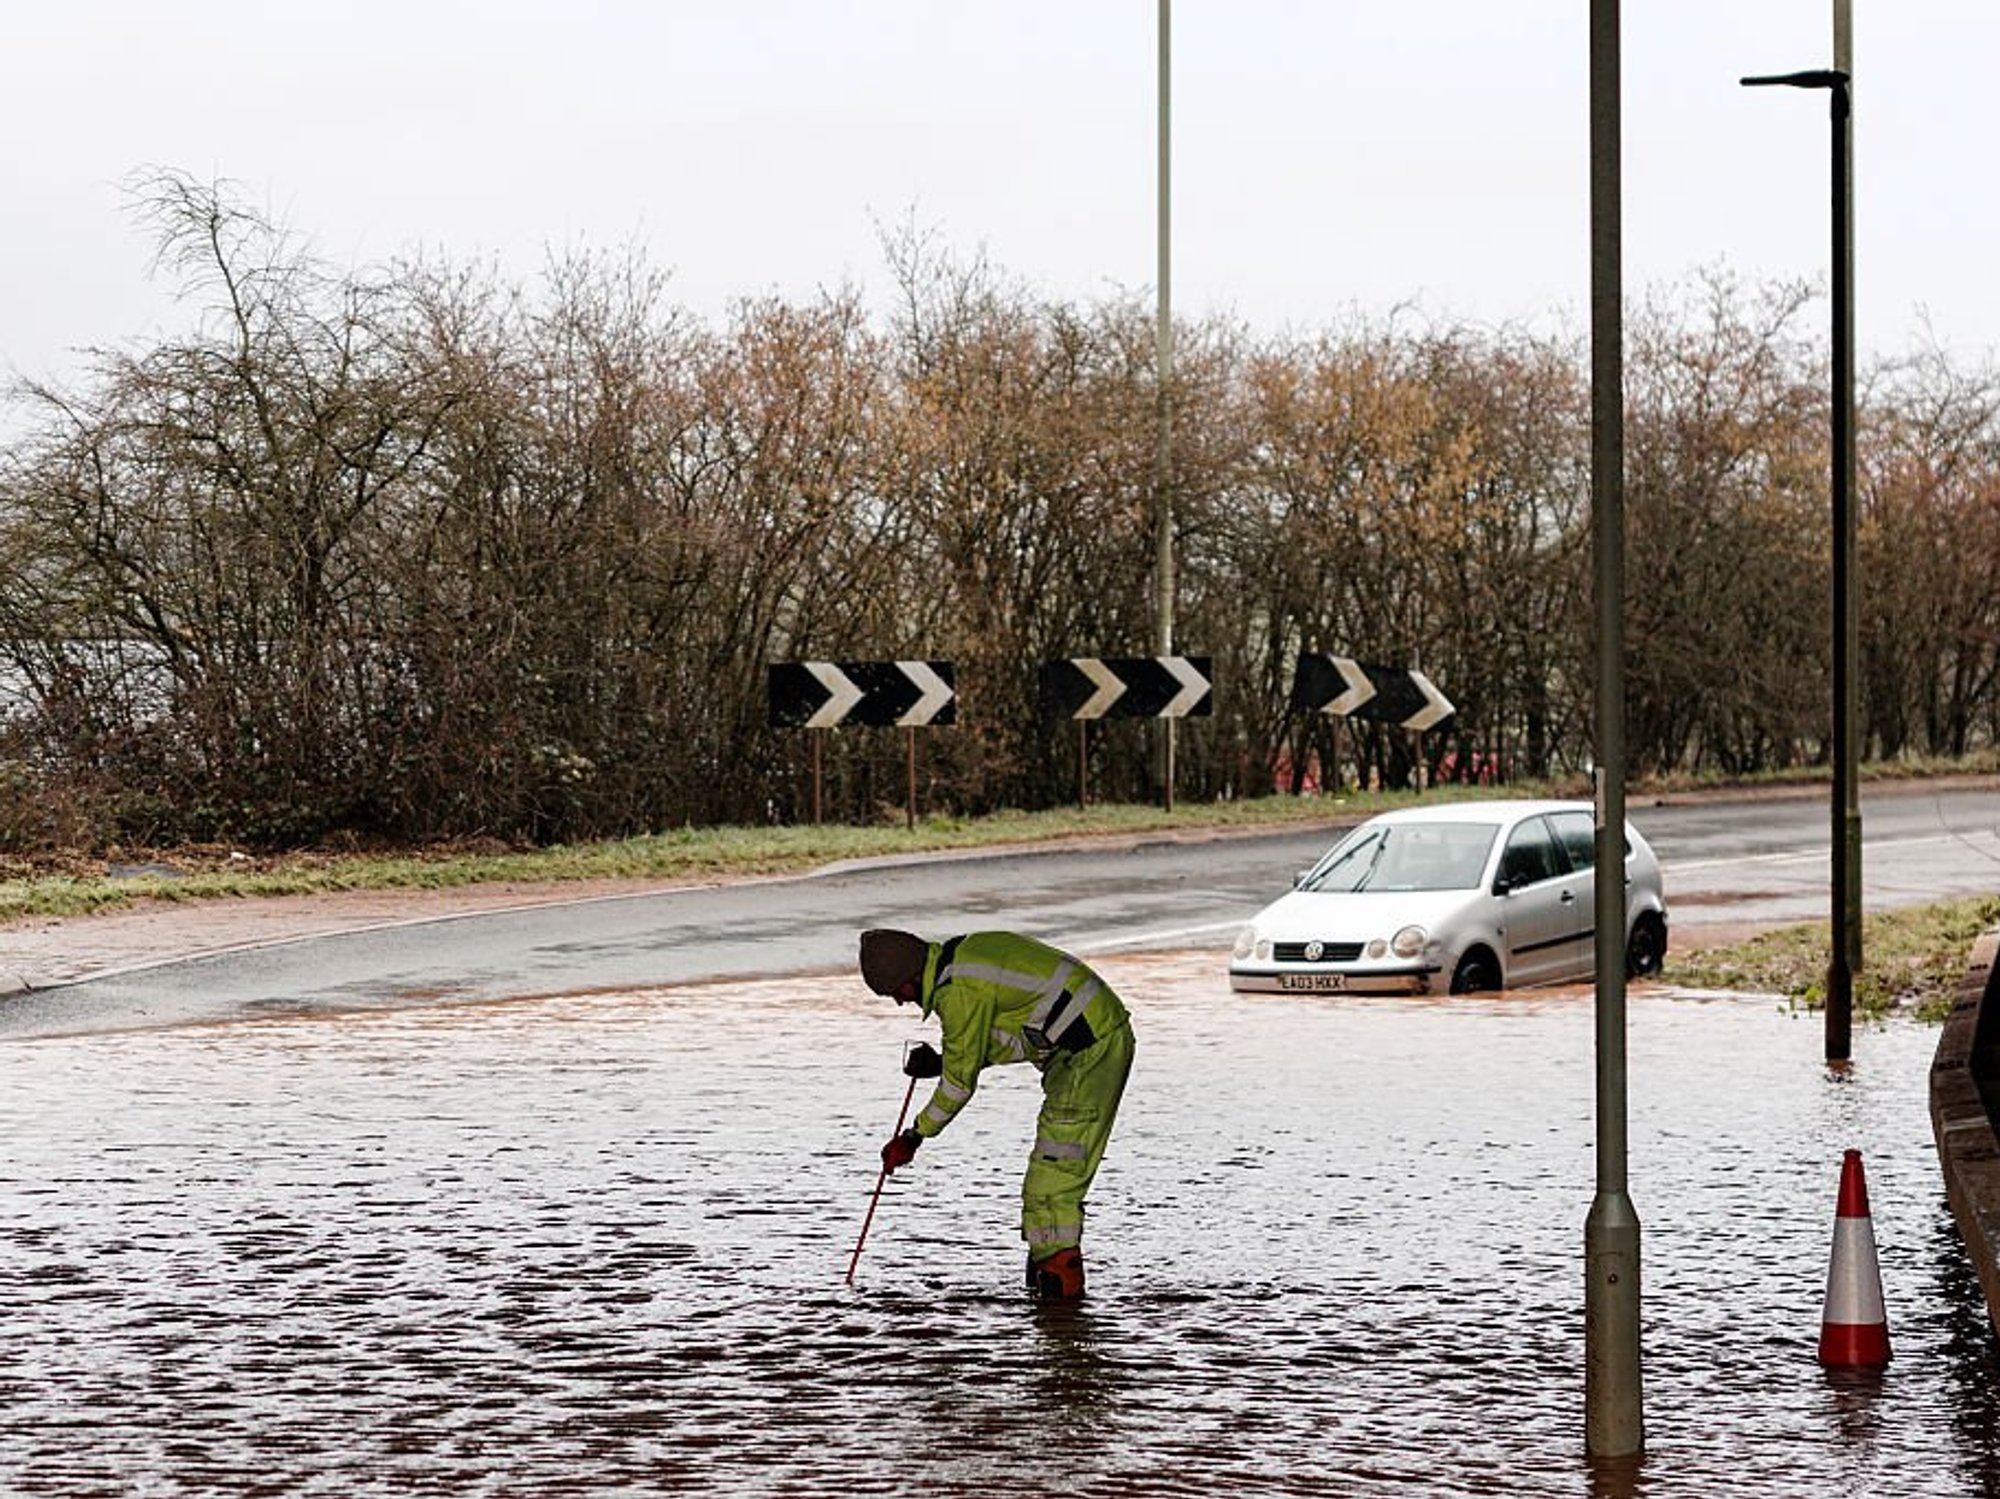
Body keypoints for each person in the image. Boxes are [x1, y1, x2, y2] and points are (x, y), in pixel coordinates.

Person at [858, 927, 1135, 1301]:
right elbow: (999, 1039)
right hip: (1084, 1043)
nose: (899, 1003)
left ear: (907, 979)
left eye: (895, 994)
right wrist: (944, 1062)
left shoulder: (958, 991)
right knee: (1047, 1189)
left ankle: (1063, 1317)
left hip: (1088, 1051)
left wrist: (913, 1137)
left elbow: (958, 1087)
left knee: (1050, 1189)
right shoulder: (964, 957)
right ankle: (1049, 1301)